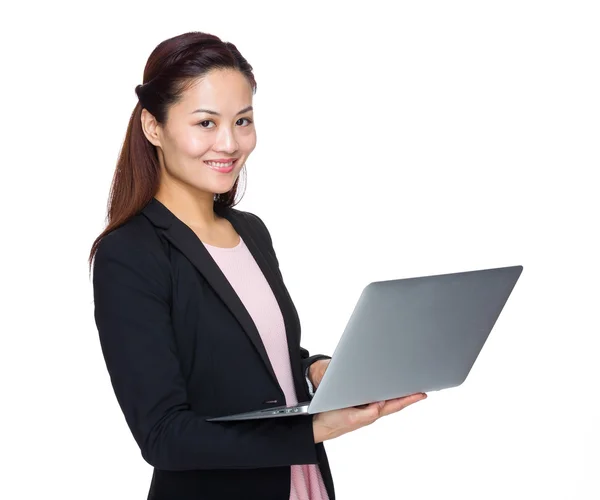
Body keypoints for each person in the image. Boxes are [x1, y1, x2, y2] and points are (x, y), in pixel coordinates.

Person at [89, 31, 427, 500]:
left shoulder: (250, 231)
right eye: (206, 123)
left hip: (304, 486)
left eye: (242, 120)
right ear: (153, 127)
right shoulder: (130, 254)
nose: (229, 143)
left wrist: (318, 371)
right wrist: (315, 429)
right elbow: (164, 437)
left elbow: (260, 360)